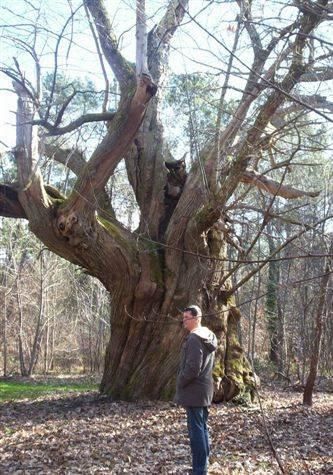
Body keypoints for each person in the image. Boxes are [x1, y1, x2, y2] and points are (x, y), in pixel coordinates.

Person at [175, 305, 217, 475]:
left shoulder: (194, 338)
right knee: (202, 428)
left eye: (187, 318)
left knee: (196, 431)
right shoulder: (209, 336)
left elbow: (193, 368)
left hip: (194, 391)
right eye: (183, 317)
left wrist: (180, 380)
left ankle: (200, 470)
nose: (184, 321)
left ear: (196, 318)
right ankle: (203, 465)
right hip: (205, 390)